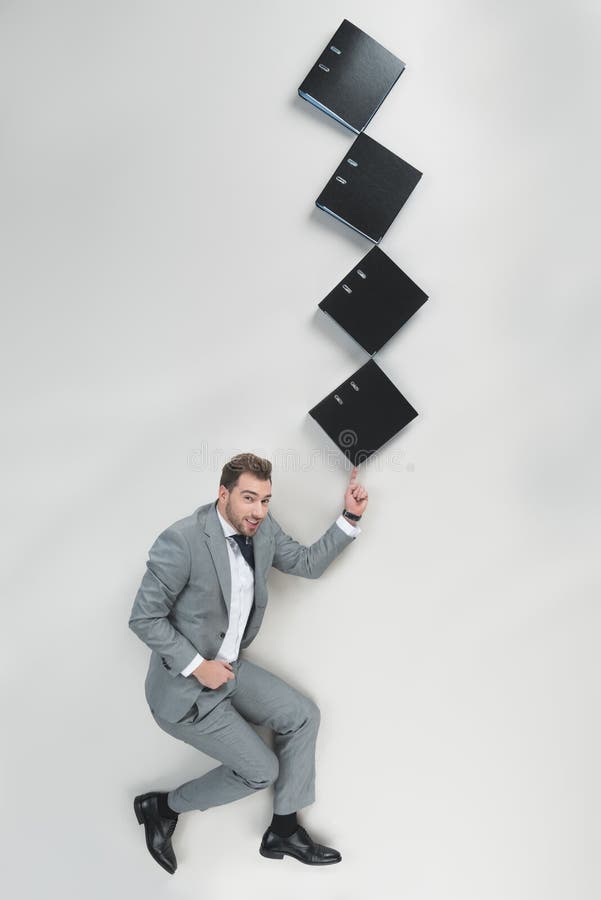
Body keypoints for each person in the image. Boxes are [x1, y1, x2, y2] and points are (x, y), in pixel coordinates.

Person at [129, 452, 368, 874]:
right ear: (223, 494)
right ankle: (163, 806)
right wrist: (196, 666)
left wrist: (348, 516)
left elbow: (307, 563)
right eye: (249, 498)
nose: (258, 511)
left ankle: (283, 829)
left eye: (266, 500)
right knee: (262, 770)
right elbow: (144, 617)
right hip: (184, 693)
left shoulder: (262, 529)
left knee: (302, 715)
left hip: (229, 670)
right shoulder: (182, 540)